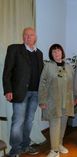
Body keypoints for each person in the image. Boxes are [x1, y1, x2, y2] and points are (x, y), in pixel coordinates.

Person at [2, 27, 44, 157]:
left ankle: (25, 145)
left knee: (29, 121)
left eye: (31, 35)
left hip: (35, 93)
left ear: (35, 38)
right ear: (23, 37)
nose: (28, 37)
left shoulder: (39, 53)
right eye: (25, 35)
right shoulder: (14, 49)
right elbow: (7, 71)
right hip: (20, 92)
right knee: (18, 121)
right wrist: (8, 90)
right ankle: (15, 150)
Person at [38, 44, 74, 157]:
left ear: (62, 52)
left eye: (58, 51)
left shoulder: (68, 66)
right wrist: (42, 100)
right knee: (54, 124)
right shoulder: (48, 66)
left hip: (66, 101)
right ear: (51, 54)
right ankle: (54, 150)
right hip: (52, 101)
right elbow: (42, 84)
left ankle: (59, 144)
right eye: (54, 52)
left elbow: (72, 84)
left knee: (63, 124)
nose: (56, 53)